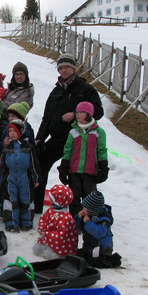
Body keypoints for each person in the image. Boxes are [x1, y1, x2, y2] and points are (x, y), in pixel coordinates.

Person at [34, 53, 103, 214]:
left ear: (73, 68)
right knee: (40, 164)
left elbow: (99, 111)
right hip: (57, 139)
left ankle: (80, 212)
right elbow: (46, 117)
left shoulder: (85, 89)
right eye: (61, 68)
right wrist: (40, 138)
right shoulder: (56, 91)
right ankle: (36, 206)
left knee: (76, 175)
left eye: (67, 67)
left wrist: (75, 113)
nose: (63, 70)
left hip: (79, 140)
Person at [59, 101, 108, 216]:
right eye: (77, 112)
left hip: (90, 171)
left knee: (89, 197)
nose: (77, 115)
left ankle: (88, 222)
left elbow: (101, 150)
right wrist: (64, 166)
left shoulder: (98, 132)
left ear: (89, 114)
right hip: (74, 171)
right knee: (74, 197)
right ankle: (76, 221)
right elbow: (68, 150)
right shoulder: (73, 131)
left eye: (81, 112)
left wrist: (103, 167)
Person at [0, 119, 40, 232]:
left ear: (21, 131)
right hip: (10, 179)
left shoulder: (28, 148)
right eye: (10, 131)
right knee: (11, 200)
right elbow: (1, 165)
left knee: (26, 199)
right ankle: (11, 222)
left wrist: (36, 178)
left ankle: (26, 222)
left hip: (25, 178)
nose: (12, 133)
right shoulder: (7, 148)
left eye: (14, 131)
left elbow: (34, 164)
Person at [75, 190, 121, 268]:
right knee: (79, 256)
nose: (83, 210)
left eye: (85, 209)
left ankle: (111, 261)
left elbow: (99, 233)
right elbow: (78, 227)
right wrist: (78, 218)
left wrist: (88, 222)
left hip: (101, 250)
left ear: (92, 210)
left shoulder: (104, 220)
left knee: (94, 262)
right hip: (89, 247)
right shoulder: (88, 216)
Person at [33, 184, 78, 259]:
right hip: (48, 239)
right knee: (38, 249)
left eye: (51, 198)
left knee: (52, 256)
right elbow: (43, 218)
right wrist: (41, 228)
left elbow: (61, 235)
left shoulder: (65, 218)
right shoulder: (51, 210)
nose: (49, 199)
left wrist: (46, 234)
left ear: (58, 201)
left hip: (59, 245)